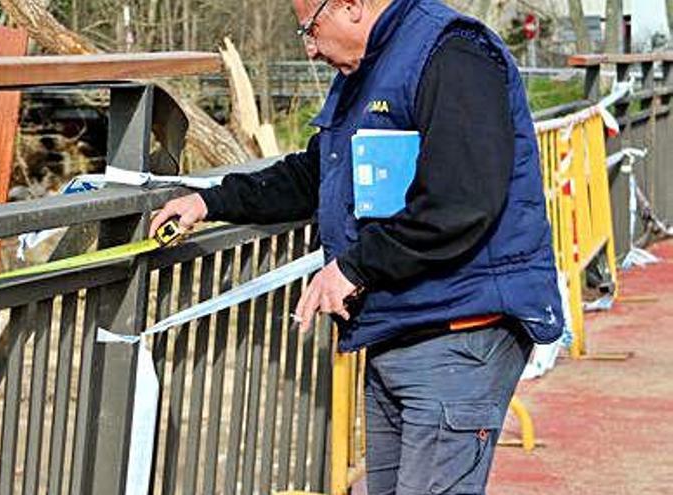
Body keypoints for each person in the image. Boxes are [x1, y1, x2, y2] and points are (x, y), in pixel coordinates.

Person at [150, 0, 563, 493]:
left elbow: (461, 204)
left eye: (310, 29)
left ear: (351, 6)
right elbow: (317, 172)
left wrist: (354, 269)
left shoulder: (452, 53)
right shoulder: (368, 69)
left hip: (456, 332)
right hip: (400, 327)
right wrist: (209, 202)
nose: (309, 49)